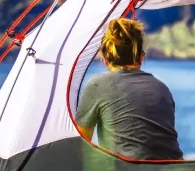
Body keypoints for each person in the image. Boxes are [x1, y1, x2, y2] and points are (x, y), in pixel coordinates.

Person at [75, 18, 183, 161]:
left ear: (105, 59)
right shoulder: (162, 88)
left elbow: (82, 143)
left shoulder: (97, 85)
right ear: (141, 57)